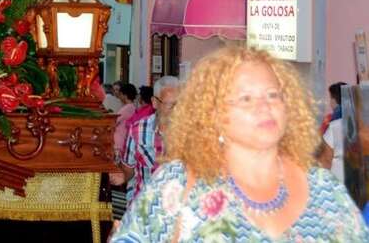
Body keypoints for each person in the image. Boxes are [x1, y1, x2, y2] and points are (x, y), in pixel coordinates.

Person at [110, 46, 369, 242]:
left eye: (273, 95)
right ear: (214, 114)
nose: (264, 106)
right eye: (245, 98)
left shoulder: (323, 188)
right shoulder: (177, 184)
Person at [120, 76, 179, 203]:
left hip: (178, 206)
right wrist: (121, 176)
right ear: (155, 102)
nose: (177, 111)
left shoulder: (191, 132)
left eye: (180, 104)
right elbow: (127, 169)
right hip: (144, 203)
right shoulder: (138, 130)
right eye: (170, 105)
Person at [319, 81, 348, 183]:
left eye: (330, 98)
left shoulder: (331, 120)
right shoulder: (357, 117)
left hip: (337, 176)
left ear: (334, 99)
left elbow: (326, 157)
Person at [113, 82, 137, 162]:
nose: (119, 96)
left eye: (121, 94)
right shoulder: (131, 107)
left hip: (120, 140)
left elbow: (114, 121)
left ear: (125, 95)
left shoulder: (127, 108)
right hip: (123, 139)